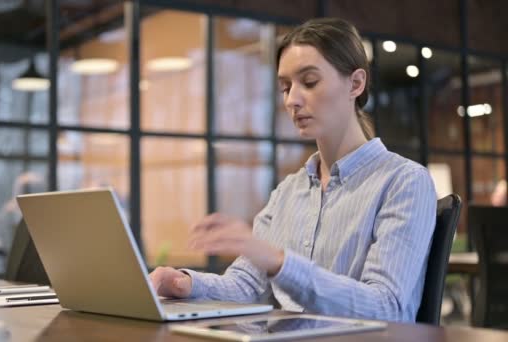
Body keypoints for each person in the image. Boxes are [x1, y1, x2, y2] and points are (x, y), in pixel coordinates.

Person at [149, 17, 437, 323]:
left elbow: (386, 307)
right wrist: (184, 283)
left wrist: (280, 263)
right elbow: (245, 285)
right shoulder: (288, 191)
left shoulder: (404, 182)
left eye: (309, 82)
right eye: (285, 87)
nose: (292, 100)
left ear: (355, 83)